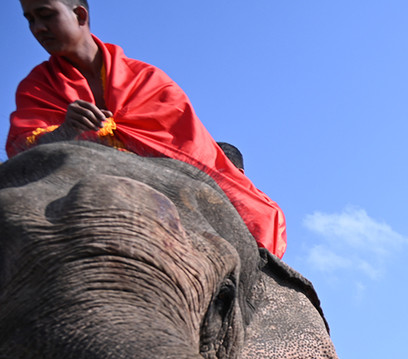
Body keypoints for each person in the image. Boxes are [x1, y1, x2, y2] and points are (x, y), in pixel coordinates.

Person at [9, 0, 287, 256]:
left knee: (254, 218)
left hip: (170, 189)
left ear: (80, 15)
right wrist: (65, 132)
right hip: (78, 194)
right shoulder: (35, 87)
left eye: (46, 15)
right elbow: (25, 157)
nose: (37, 28)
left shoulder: (148, 78)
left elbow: (192, 151)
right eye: (30, 20)